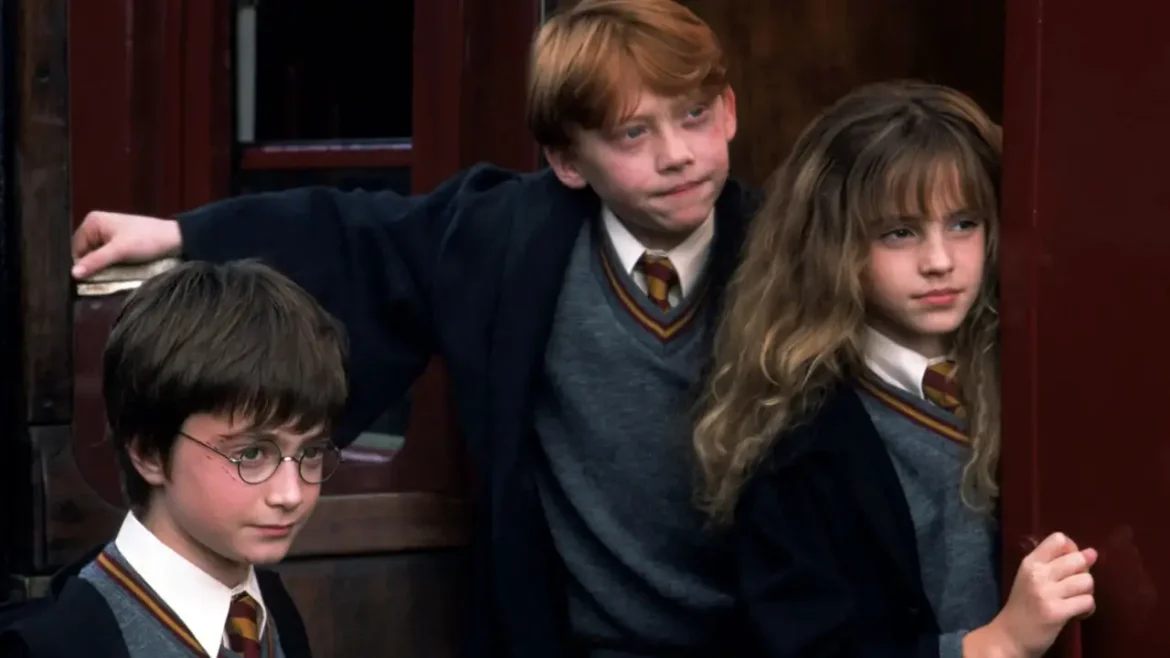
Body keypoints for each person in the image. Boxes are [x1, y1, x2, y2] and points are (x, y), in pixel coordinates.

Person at [67, 1, 755, 655]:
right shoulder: (511, 240)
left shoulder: (786, 258)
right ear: (568, 161)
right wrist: (184, 234)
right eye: (633, 133)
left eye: (693, 115)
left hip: (762, 632)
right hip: (573, 640)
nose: (676, 154)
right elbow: (359, 235)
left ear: (727, 111)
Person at [692, 80, 1096, 657]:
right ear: (833, 248)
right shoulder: (797, 442)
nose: (939, 261)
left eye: (963, 223)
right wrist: (995, 644)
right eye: (900, 233)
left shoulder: (1030, 373)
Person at [0, 260, 346, 658]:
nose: (291, 494)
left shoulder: (272, 611)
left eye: (310, 452)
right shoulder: (55, 646)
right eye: (250, 454)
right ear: (149, 451)